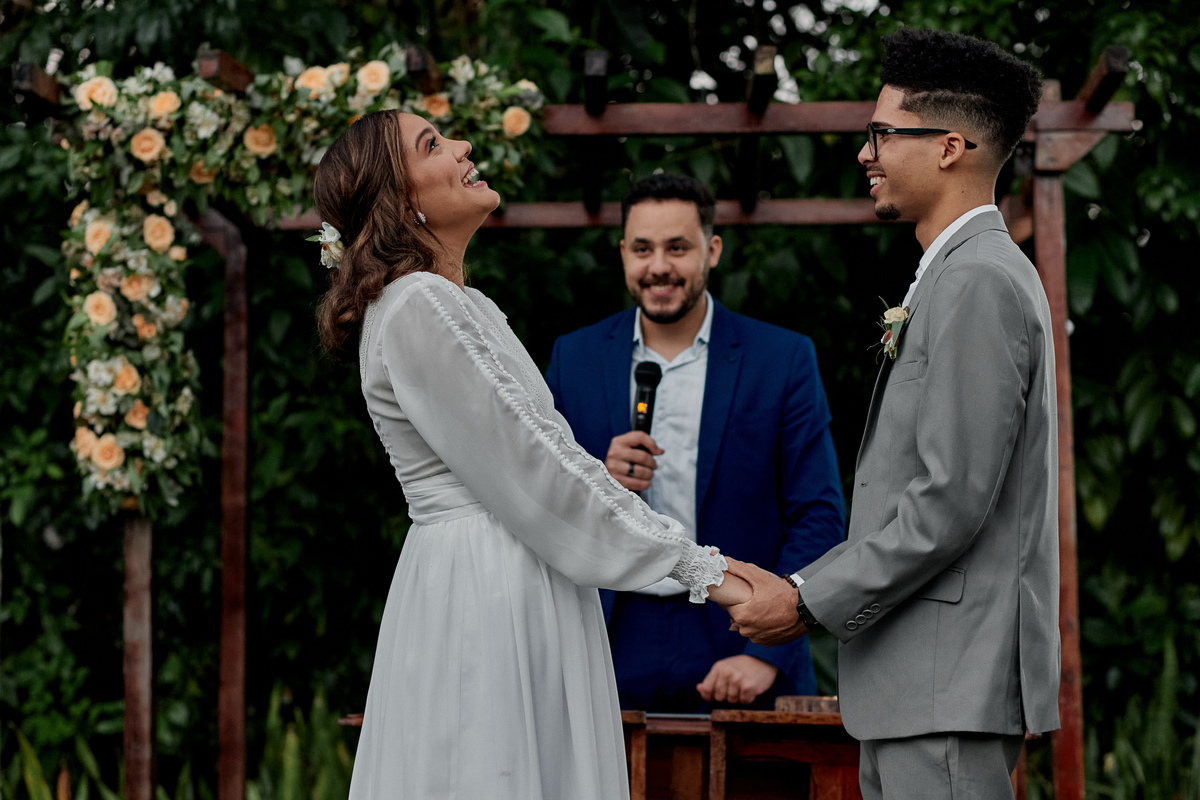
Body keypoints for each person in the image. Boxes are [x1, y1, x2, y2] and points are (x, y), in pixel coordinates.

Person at [311, 110, 752, 800]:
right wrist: (705, 570)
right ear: (405, 200)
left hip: (521, 570)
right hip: (484, 591)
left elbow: (537, 456)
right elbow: (539, 469)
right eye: (433, 145)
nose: (461, 147)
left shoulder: (462, 304)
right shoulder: (419, 305)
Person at [725, 28, 1060, 800]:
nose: (865, 153)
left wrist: (806, 598)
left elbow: (948, 502)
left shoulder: (977, 281)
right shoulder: (954, 274)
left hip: (946, 684)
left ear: (949, 146)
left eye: (881, 133)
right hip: (918, 686)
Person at [545, 174, 845, 712]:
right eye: (642, 249)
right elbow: (542, 503)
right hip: (608, 635)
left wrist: (767, 649)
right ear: (622, 254)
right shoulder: (575, 358)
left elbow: (819, 515)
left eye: (677, 248)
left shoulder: (783, 359)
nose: (658, 266)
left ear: (712, 250)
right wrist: (598, 481)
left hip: (737, 631)